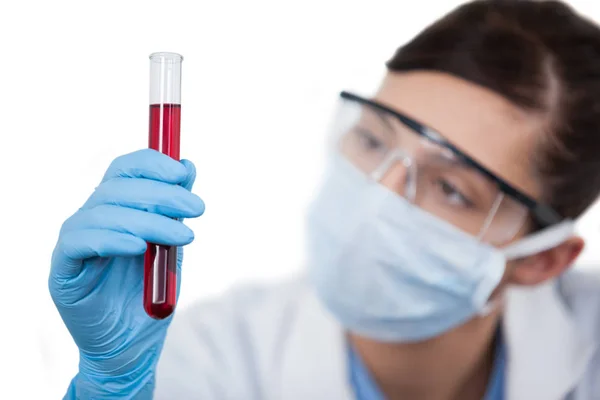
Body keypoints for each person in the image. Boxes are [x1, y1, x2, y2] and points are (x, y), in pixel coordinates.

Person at [49, 1, 600, 399]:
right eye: (373, 140)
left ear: (541, 259)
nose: (378, 199)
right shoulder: (217, 360)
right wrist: (110, 389)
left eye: (451, 188)